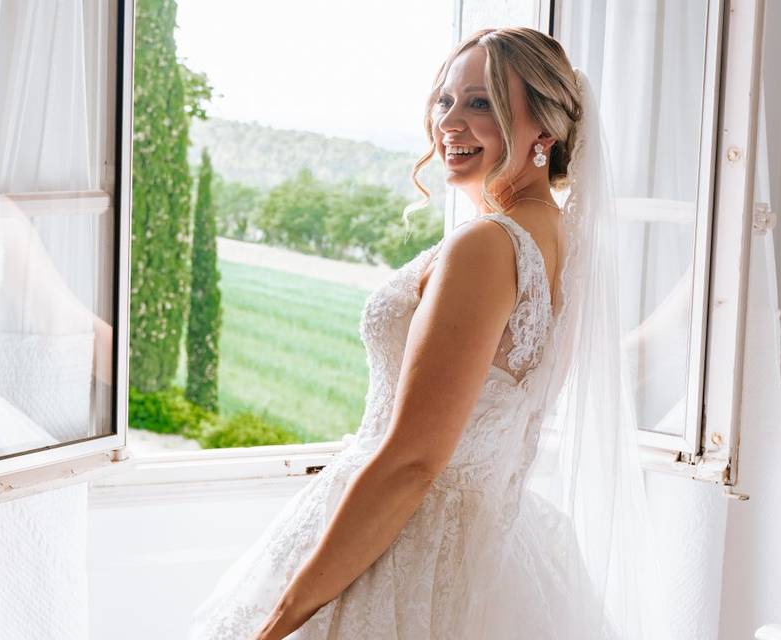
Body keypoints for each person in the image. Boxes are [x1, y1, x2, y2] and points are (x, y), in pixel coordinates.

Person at [188, 26, 671, 639]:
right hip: (489, 546)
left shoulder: (488, 245)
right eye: (446, 99)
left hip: (406, 548)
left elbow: (412, 462)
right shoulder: (566, 242)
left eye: (481, 103)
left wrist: (279, 620)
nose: (450, 122)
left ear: (544, 132)